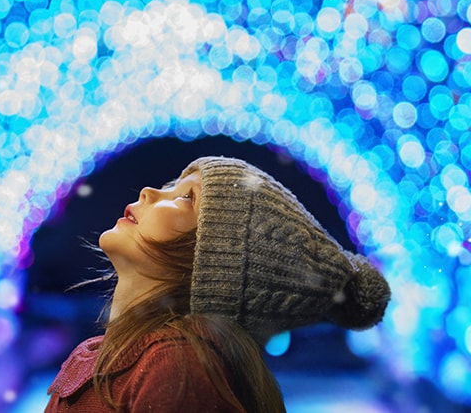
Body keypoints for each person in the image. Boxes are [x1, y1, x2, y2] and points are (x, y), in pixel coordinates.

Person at [45, 156, 392, 412]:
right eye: (172, 187)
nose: (149, 192)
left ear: (213, 259)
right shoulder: (119, 354)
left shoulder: (174, 368)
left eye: (185, 198)